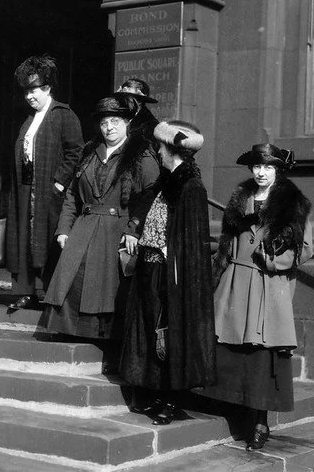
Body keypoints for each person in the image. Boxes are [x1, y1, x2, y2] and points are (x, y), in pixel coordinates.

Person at [40, 96, 160, 373]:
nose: (109, 128)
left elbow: (149, 196)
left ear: (128, 123)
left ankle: (104, 338)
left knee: (105, 285)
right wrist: (63, 228)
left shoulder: (141, 155)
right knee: (74, 276)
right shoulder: (89, 152)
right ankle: (71, 330)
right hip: (84, 224)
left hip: (117, 227)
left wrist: (135, 229)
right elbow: (71, 195)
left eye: (115, 121)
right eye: (104, 123)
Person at [204, 144, 312, 451]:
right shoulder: (241, 199)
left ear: (277, 171)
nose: (260, 172)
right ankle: (231, 407)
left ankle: (260, 422)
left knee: (262, 355)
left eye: (267, 167)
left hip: (268, 284)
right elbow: (227, 239)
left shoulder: (293, 204)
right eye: (256, 167)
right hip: (236, 281)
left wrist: (274, 260)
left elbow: (304, 249)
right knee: (228, 346)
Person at [120, 120, 216, 425]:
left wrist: (169, 256)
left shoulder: (190, 187)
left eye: (160, 147)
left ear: (172, 150)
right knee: (149, 329)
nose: (157, 152)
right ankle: (152, 391)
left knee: (168, 332)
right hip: (149, 267)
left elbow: (191, 241)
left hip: (170, 272)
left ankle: (171, 400)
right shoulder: (165, 183)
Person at [5, 54, 83, 311]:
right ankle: (25, 291)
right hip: (26, 187)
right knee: (24, 238)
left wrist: (59, 183)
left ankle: (51, 292)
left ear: (47, 88)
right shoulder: (28, 119)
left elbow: (76, 152)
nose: (29, 96)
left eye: (34, 90)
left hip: (50, 190)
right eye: (26, 91)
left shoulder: (63, 114)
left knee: (49, 239)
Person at [112, 78, 159, 145]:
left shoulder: (150, 125)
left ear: (139, 101)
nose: (122, 101)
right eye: (121, 98)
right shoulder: (111, 120)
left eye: (128, 98)